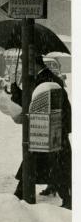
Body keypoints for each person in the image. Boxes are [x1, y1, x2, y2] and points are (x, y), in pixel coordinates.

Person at [11, 54, 71, 209]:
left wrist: (16, 92)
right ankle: (60, 193)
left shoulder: (44, 80)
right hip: (54, 128)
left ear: (33, 64)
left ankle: (20, 195)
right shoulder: (48, 77)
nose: (25, 69)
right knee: (54, 164)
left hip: (48, 129)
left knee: (46, 162)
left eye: (27, 65)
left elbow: (31, 102)